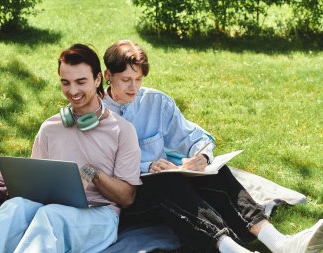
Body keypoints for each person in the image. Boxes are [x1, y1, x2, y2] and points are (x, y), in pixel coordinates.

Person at [102, 40, 323, 253]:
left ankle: (279, 243)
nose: (134, 87)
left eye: (138, 79)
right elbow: (102, 165)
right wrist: (148, 166)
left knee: (215, 172)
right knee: (168, 184)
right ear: (108, 76)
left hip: (167, 182)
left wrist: (202, 157)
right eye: (126, 80)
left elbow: (196, 137)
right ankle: (232, 249)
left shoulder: (156, 102)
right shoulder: (96, 114)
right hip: (130, 199)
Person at [0, 44, 142, 253]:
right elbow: (32, 188)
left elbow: (127, 198)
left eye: (81, 82)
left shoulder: (123, 130)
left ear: (97, 79)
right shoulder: (50, 128)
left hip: (100, 216)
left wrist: (92, 173)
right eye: (65, 83)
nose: (73, 91)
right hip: (51, 208)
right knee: (14, 207)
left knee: (51, 215)